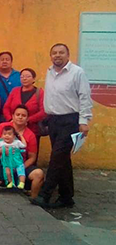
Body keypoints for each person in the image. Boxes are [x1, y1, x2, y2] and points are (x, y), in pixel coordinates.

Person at [31, 44, 92, 209]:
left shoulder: (77, 72)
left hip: (70, 120)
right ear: (51, 56)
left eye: (61, 53)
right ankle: (66, 197)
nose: (57, 55)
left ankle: (45, 195)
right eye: (54, 53)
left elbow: (85, 97)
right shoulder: (50, 71)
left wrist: (84, 121)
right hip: (53, 121)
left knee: (56, 158)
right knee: (63, 160)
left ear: (68, 55)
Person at [0, 105, 45, 198]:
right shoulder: (3, 127)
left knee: (39, 174)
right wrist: (5, 153)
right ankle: (6, 183)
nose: (20, 117)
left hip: (20, 163)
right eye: (17, 114)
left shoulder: (30, 135)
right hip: (2, 161)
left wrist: (20, 167)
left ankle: (34, 198)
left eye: (23, 115)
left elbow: (32, 157)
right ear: (13, 116)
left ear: (27, 119)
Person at [3, 68, 46, 142]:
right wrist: (11, 120)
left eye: (27, 76)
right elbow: (6, 108)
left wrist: (27, 120)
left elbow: (43, 111)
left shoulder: (40, 93)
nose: (24, 79)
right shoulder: (15, 91)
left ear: (33, 79)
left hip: (32, 129)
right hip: (13, 129)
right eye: (22, 77)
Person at [0, 51, 21, 122]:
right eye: (2, 60)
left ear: (11, 62)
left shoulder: (19, 75)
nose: (5, 61)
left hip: (17, 115)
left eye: (7, 59)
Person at [0, 125, 27, 189]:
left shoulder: (17, 142)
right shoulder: (1, 143)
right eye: (4, 134)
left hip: (17, 161)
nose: (7, 136)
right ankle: (10, 182)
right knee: (7, 172)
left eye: (9, 134)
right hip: (7, 161)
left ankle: (22, 183)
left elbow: (24, 145)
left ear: (14, 136)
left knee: (21, 171)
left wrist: (21, 136)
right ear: (2, 135)